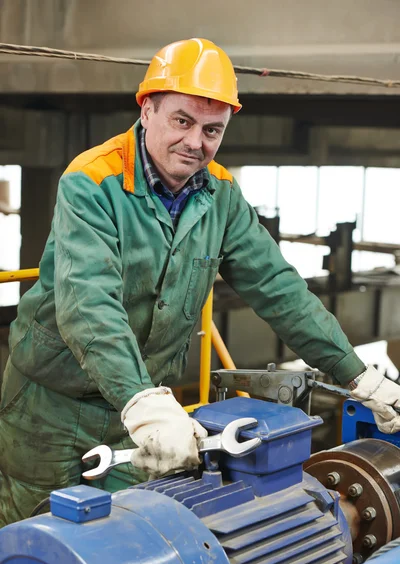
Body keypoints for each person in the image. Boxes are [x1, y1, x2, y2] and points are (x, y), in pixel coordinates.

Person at [1, 38, 399, 527]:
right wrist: (142, 403)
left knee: (128, 537)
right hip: (53, 404)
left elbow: (278, 286)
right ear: (147, 110)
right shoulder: (91, 181)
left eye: (213, 130)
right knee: (35, 541)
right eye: (182, 121)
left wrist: (355, 373)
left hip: (145, 407)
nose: (196, 142)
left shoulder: (221, 194)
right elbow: (89, 304)